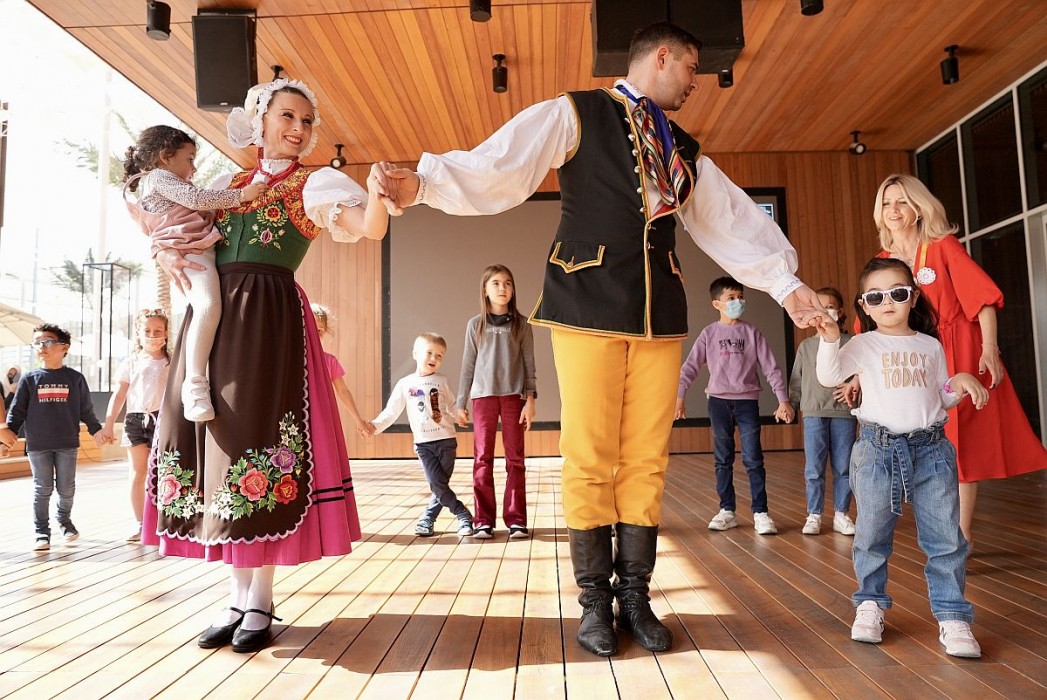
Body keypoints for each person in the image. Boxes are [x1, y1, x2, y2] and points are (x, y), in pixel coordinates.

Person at [371, 21, 825, 657]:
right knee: (588, 456)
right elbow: (504, 166)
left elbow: (728, 219)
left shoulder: (680, 146)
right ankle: (593, 603)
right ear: (661, 57)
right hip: (585, 304)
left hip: (659, 314)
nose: (695, 82)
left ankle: (634, 596)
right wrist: (425, 184)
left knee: (646, 459)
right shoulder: (576, 113)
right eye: (691, 68)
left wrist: (786, 284)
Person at [143, 78, 390, 654]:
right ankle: (238, 598)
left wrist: (378, 193)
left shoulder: (315, 183)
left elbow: (370, 227)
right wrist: (164, 250)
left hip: (267, 321)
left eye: (306, 120)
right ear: (260, 122)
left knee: (255, 447)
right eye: (287, 117)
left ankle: (260, 601)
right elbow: (176, 230)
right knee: (221, 453)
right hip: (213, 323)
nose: (298, 129)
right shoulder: (227, 184)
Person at [816, 257, 988, 658]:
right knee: (872, 534)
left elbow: (940, 397)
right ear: (864, 305)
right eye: (876, 297)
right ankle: (870, 603)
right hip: (877, 451)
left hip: (931, 450)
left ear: (913, 297)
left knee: (946, 538)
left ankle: (952, 615)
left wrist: (960, 382)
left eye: (897, 293)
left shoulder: (930, 345)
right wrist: (829, 338)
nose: (888, 302)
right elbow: (829, 376)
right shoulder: (862, 344)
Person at [870, 174, 1047, 546]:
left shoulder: (942, 247)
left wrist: (989, 348)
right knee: (919, 437)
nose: (893, 210)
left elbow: (982, 299)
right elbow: (870, 321)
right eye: (886, 203)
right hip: (912, 358)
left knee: (958, 442)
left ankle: (960, 533)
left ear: (919, 208)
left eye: (902, 202)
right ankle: (937, 527)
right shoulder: (882, 262)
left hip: (958, 350)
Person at [123, 125, 267, 422]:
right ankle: (195, 385)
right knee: (207, 306)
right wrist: (243, 195)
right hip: (189, 251)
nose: (194, 167)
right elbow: (197, 199)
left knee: (210, 308)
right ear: (166, 157)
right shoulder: (159, 177)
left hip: (195, 249)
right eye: (189, 158)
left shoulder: (161, 182)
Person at [675, 277, 794, 535]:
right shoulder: (709, 334)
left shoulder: (752, 333)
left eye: (740, 297)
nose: (737, 302)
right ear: (717, 304)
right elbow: (690, 367)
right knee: (723, 459)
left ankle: (761, 512)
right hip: (718, 403)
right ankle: (727, 511)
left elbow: (771, 367)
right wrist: (680, 397)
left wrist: (782, 399)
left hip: (747, 401)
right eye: (731, 298)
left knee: (753, 458)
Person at [0, 324, 107, 551]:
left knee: (67, 489)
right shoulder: (29, 379)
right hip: (38, 444)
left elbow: (86, 410)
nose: (42, 346)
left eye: (47, 341)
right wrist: (6, 440)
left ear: (64, 347)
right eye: (37, 343)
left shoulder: (75, 378)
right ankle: (41, 532)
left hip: (67, 443)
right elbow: (17, 412)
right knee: (42, 488)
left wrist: (96, 430)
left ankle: (64, 521)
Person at [455, 264, 537, 540]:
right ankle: (483, 521)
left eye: (508, 283)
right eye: (496, 283)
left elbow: (529, 365)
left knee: (515, 459)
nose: (503, 288)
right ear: (485, 290)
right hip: (483, 398)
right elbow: (468, 366)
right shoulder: (475, 325)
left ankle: (517, 520)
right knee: (482, 458)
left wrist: (530, 400)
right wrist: (460, 402)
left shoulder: (522, 325)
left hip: (514, 398)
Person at [368, 332, 475, 538]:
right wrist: (374, 426)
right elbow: (391, 412)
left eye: (439, 355)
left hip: (446, 441)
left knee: (439, 485)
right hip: (424, 445)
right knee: (436, 483)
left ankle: (427, 520)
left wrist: (459, 415)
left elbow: (451, 406)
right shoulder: (405, 384)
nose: (434, 358)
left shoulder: (442, 380)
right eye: (429, 353)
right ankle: (462, 513)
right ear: (415, 354)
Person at [97, 308, 172, 542]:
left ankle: (166, 522)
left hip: (164, 419)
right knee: (138, 473)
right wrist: (109, 424)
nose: (152, 335)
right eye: (147, 331)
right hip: (135, 420)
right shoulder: (131, 362)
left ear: (166, 333)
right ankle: (141, 524)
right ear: (138, 333)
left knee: (164, 472)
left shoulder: (173, 361)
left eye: (157, 331)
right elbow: (119, 395)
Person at [788, 287, 856, 536]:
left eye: (830, 307)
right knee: (814, 468)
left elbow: (861, 375)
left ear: (840, 311)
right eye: (820, 306)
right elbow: (797, 378)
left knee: (844, 466)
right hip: (814, 412)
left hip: (843, 413)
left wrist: (854, 393)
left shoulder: (851, 343)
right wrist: (792, 404)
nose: (825, 311)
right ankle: (814, 514)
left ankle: (841, 514)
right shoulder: (806, 346)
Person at [311, 303, 373, 438]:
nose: (315, 334)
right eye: (311, 329)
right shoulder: (291, 359)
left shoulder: (329, 361)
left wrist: (358, 420)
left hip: (321, 418)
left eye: (320, 330)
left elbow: (343, 391)